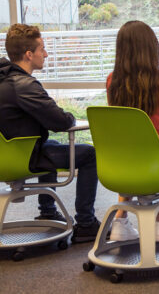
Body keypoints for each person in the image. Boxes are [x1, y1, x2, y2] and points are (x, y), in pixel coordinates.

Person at [0, 24, 100, 243]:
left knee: (50, 143)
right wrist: (70, 116)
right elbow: (60, 121)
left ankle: (47, 210)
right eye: (42, 49)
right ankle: (86, 223)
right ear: (29, 54)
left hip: (7, 154)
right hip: (20, 159)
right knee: (90, 154)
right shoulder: (23, 84)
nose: (45, 54)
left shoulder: (4, 80)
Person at [106, 20, 159, 241]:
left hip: (120, 163)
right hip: (157, 163)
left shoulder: (111, 81)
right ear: (153, 47)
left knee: (131, 157)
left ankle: (120, 221)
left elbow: (116, 121)